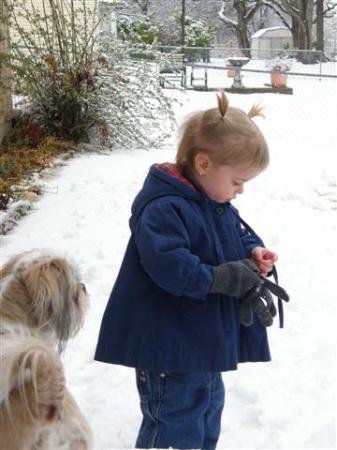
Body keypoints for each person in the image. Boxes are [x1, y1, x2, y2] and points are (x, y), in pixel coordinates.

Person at [94, 91, 289, 450]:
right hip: (168, 342)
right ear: (203, 165)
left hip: (200, 341)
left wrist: (252, 252)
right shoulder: (164, 208)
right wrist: (221, 278)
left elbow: (230, 239)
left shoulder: (212, 201)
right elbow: (169, 266)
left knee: (206, 409)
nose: (241, 191)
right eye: (237, 181)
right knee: (174, 421)